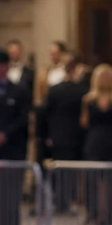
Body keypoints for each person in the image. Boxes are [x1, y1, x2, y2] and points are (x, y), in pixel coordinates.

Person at [37, 59, 89, 212]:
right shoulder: (83, 90)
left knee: (59, 171)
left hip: (57, 135)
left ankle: (60, 201)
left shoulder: (54, 90)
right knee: (71, 171)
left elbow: (45, 113)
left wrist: (44, 134)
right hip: (77, 136)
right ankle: (68, 199)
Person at [81, 63, 112, 225]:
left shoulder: (91, 100)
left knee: (105, 178)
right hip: (106, 139)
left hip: (101, 139)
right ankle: (104, 212)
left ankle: (103, 212)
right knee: (104, 178)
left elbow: (84, 122)